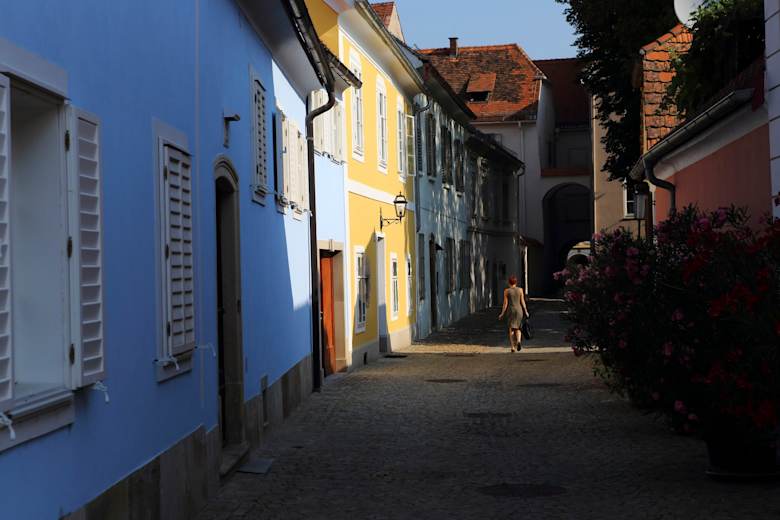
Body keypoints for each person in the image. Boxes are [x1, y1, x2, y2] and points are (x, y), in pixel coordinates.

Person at [498, 275, 529, 352]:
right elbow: (522, 301)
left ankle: (512, 347)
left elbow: (505, 303)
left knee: (511, 329)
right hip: (519, 310)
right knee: (518, 328)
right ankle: (518, 341)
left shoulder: (506, 291)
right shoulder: (520, 290)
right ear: (516, 282)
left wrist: (502, 313)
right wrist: (526, 311)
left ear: (509, 282)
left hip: (511, 310)